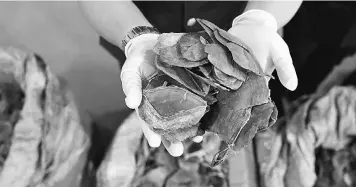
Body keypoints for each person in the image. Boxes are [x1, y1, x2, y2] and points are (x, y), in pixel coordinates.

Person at [79, 0, 302, 157]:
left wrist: (260, 18)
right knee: (137, 92)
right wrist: (135, 38)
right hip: (137, 24)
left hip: (242, 34)